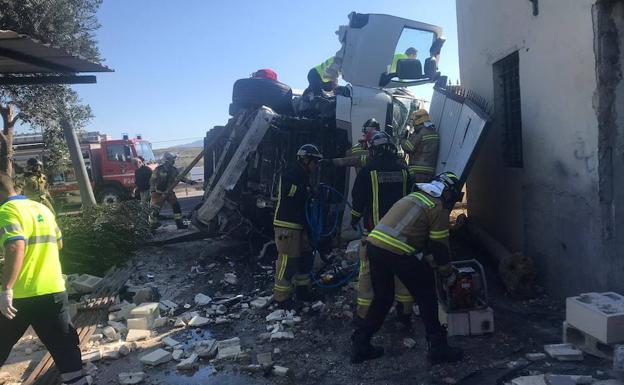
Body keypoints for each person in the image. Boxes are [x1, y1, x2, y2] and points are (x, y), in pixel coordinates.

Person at [351, 172, 464, 365]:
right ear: (448, 191)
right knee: (426, 296)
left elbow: (418, 237)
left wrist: (428, 257)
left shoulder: (414, 197)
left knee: (383, 298)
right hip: (398, 251)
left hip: (375, 247)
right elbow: (439, 246)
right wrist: (447, 272)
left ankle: (360, 344)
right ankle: (438, 349)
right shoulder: (437, 207)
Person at [0, 172, 89, 385]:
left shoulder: (6, 210)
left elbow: (15, 245)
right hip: (53, 290)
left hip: (20, 295)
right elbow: (59, 243)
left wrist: (7, 289)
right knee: (65, 348)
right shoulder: (42, 209)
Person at [350, 132, 414, 327]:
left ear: (374, 149)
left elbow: (358, 198)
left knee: (367, 272)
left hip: (375, 234)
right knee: (402, 272)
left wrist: (355, 218)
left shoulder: (368, 170)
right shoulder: (404, 170)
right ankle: (405, 313)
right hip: (401, 235)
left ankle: (364, 314)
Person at [272, 144, 322, 308]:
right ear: (305, 159)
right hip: (287, 224)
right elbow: (289, 190)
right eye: (315, 161)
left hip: (301, 225)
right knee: (288, 262)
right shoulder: (291, 172)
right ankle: (282, 299)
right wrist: (307, 190)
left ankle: (303, 292)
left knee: (305, 258)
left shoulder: (305, 175)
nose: (316, 166)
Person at [149, 152, 196, 230]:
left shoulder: (174, 170)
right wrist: (153, 191)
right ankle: (152, 226)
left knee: (176, 207)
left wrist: (190, 182)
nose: (173, 161)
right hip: (158, 193)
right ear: (167, 160)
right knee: (156, 210)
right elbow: (152, 180)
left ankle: (179, 224)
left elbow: (180, 178)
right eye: (172, 159)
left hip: (169, 192)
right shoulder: (158, 169)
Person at [400, 109, 440, 183]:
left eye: (413, 120)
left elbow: (409, 147)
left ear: (418, 120)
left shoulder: (421, 131)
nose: (413, 123)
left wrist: (402, 138)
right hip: (429, 171)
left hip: (417, 171)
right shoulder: (433, 131)